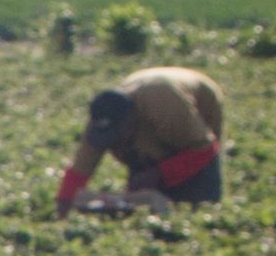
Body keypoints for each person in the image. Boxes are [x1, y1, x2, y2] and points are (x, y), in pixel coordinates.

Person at [60, 64, 228, 213]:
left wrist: (158, 173)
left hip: (196, 106)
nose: (115, 144)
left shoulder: (167, 110)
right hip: (153, 114)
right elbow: (80, 170)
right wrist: (64, 209)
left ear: (131, 122)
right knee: (143, 192)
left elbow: (205, 150)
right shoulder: (102, 118)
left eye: (118, 136)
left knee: (198, 196)